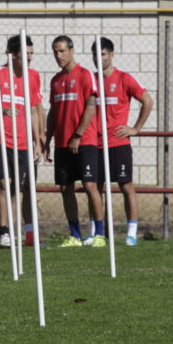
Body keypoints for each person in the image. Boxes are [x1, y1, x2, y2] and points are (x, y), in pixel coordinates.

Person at [0, 35, 44, 248]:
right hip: (0, 138)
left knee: (20, 186)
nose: (29, 58)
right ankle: (4, 232)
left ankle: (22, 232)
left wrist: (37, 142)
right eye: (25, 54)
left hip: (24, 141)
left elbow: (34, 111)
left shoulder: (33, 77)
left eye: (32, 54)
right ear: (12, 54)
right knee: (2, 183)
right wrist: (2, 110)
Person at [42, 35, 105, 248]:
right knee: (65, 188)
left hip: (84, 140)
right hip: (62, 144)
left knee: (89, 185)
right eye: (55, 52)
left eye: (61, 51)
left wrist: (77, 135)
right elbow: (53, 112)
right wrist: (46, 139)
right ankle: (75, 235)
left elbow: (91, 107)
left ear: (71, 51)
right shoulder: (56, 80)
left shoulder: (85, 75)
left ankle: (100, 234)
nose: (58, 56)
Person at [91, 38, 153, 246]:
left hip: (118, 143)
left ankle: (131, 233)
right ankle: (97, 232)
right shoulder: (91, 80)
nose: (99, 59)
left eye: (103, 54)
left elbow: (147, 100)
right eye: (95, 55)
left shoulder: (124, 78)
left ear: (111, 55)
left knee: (126, 186)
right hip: (95, 143)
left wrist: (135, 128)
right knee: (95, 188)